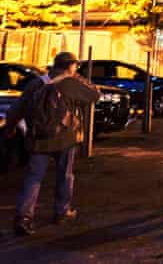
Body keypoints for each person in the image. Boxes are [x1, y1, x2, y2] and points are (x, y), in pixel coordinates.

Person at [5, 51, 100, 236]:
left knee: (34, 178)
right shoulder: (70, 83)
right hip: (66, 137)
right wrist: (77, 77)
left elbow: (18, 108)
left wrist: (10, 127)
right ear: (70, 66)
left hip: (38, 138)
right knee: (65, 175)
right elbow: (94, 95)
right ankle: (62, 211)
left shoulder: (36, 83)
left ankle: (24, 216)